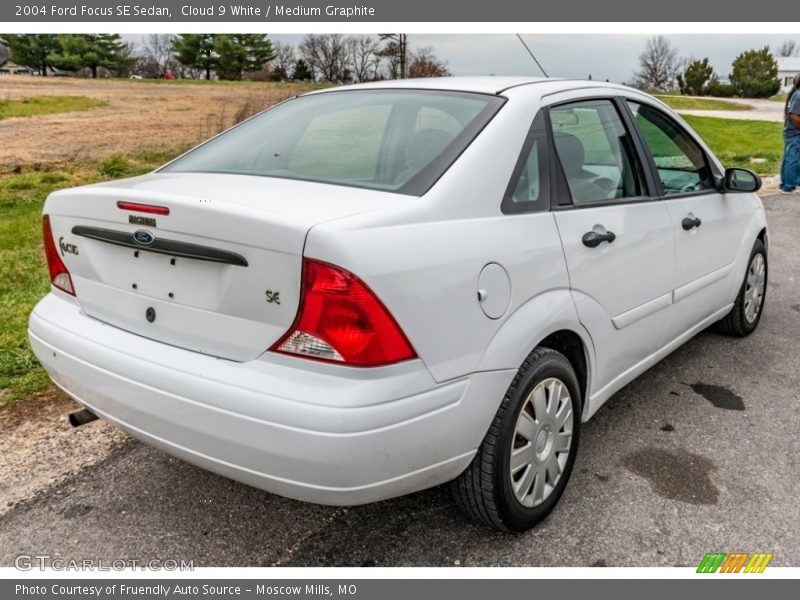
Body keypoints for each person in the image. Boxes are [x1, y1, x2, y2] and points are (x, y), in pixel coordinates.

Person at [780, 73, 800, 193]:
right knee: (793, 159)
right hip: (795, 132)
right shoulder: (798, 96)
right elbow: (795, 116)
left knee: (790, 158)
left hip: (793, 132)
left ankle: (788, 182)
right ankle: (789, 185)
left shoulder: (796, 94)